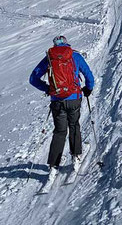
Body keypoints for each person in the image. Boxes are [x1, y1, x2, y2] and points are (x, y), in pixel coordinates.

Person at [29, 35, 94, 182]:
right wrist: (88, 89)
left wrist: (48, 88)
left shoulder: (50, 58)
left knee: (59, 131)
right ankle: (76, 156)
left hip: (57, 100)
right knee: (74, 125)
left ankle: (53, 166)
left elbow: (33, 79)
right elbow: (89, 75)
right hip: (74, 98)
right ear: (66, 43)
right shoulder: (74, 55)